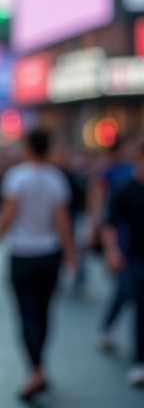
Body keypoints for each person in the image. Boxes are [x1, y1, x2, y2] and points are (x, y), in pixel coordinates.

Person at [0, 129, 76, 400]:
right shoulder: (57, 179)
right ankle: (40, 365)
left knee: (27, 313)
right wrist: (70, 253)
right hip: (49, 254)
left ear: (29, 146)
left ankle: (35, 369)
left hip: (23, 255)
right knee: (43, 312)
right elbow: (63, 221)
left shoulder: (17, 177)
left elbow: (6, 219)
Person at [103, 142, 144, 387]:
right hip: (135, 257)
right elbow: (110, 223)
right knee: (140, 308)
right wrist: (112, 252)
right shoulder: (125, 189)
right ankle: (140, 361)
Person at [90, 136, 135, 349]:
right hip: (121, 236)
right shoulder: (108, 171)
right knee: (125, 288)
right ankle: (107, 327)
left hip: (134, 236)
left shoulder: (131, 170)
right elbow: (98, 200)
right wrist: (97, 231)